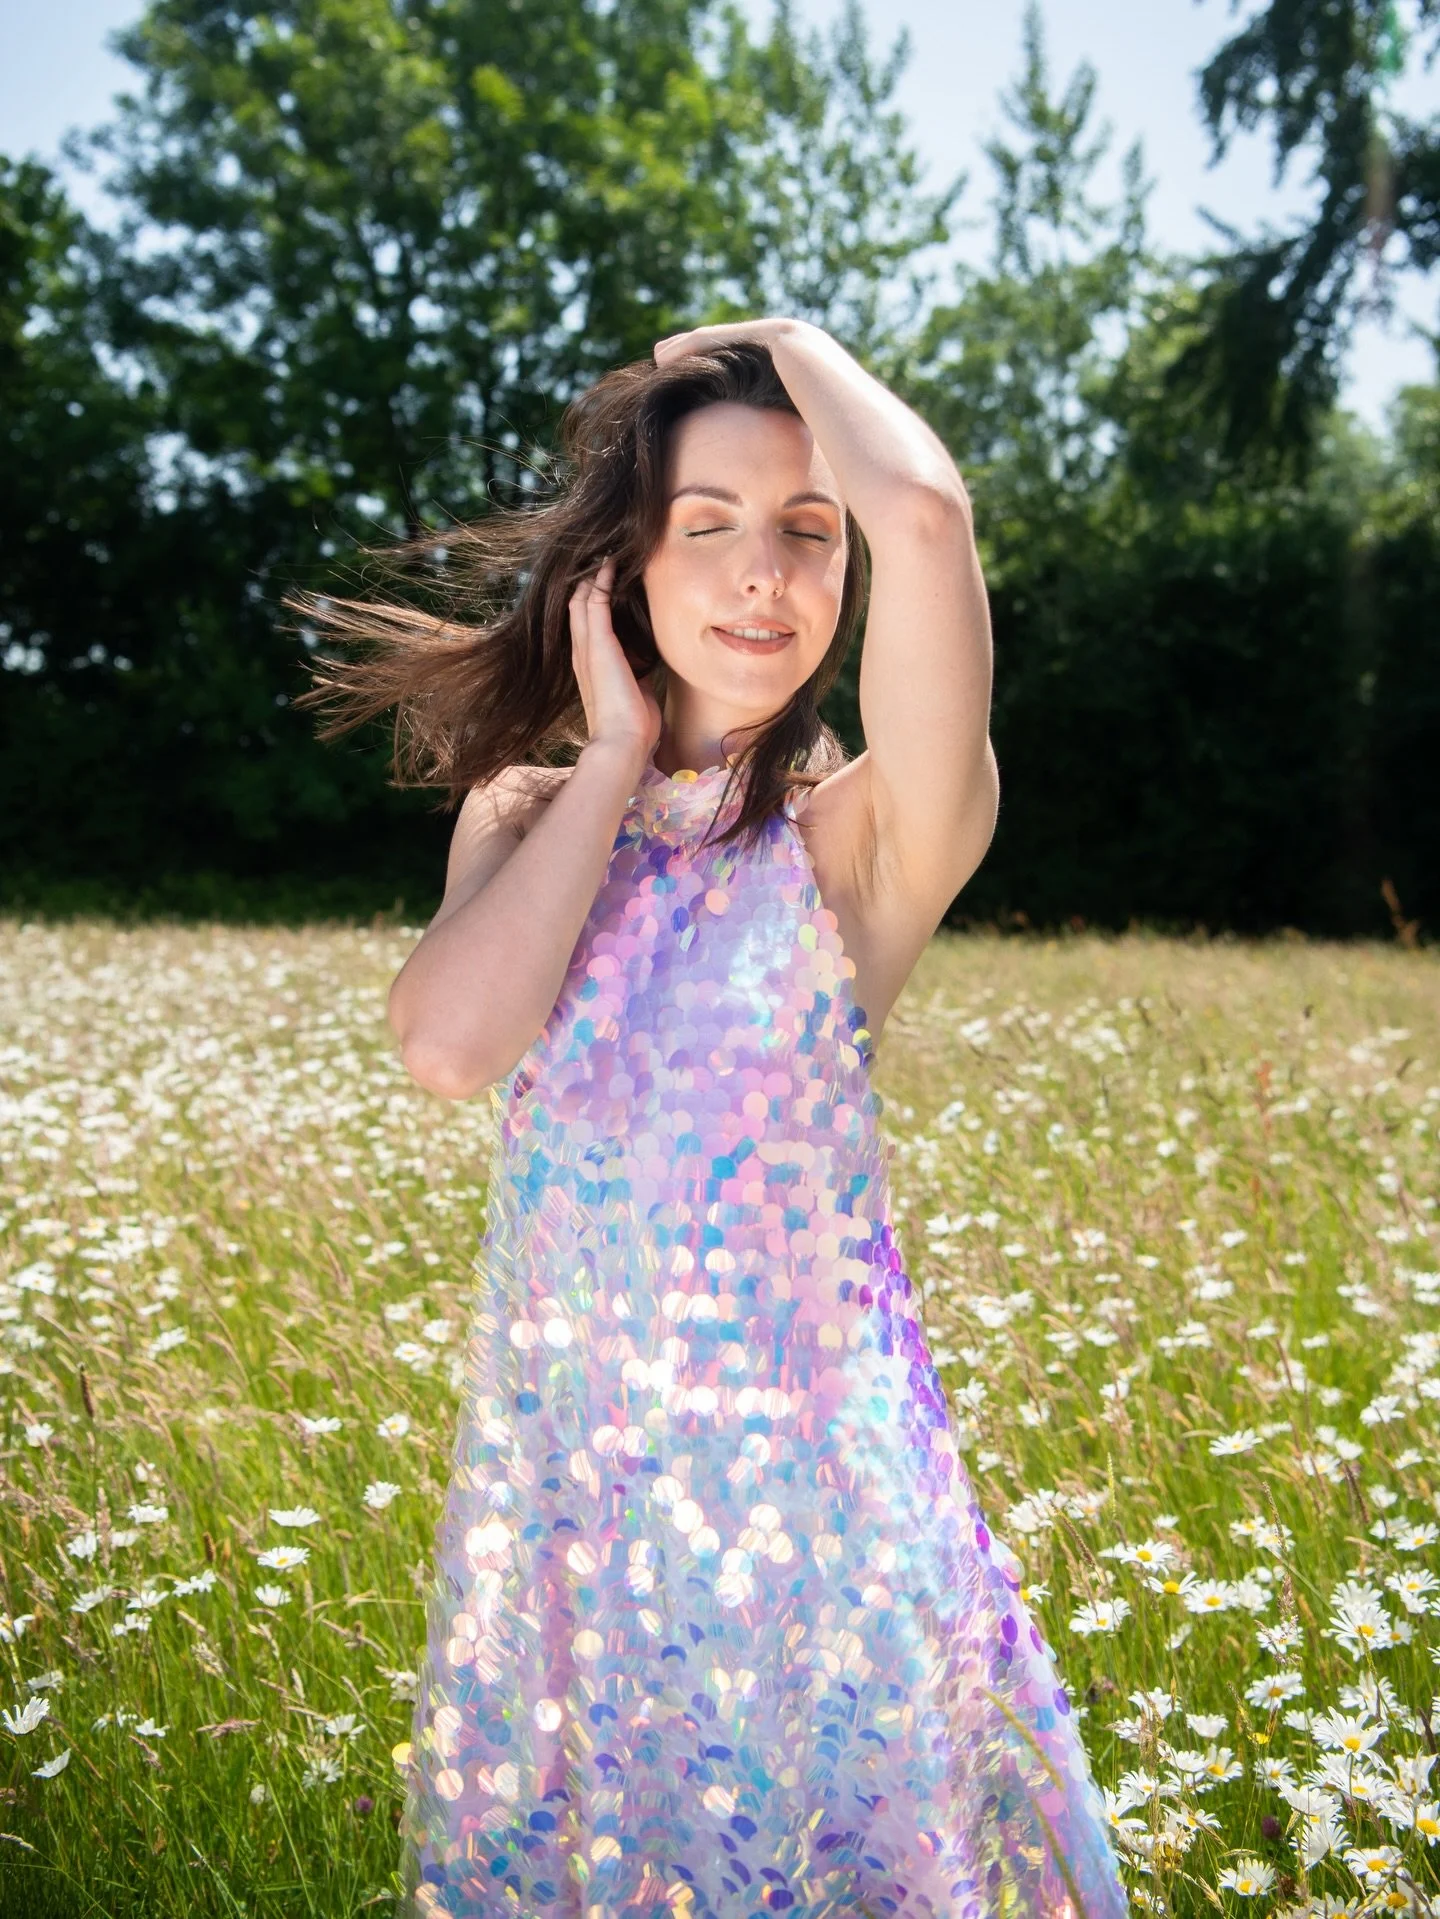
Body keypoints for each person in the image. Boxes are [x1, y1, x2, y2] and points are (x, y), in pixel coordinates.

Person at [292, 319, 1129, 1918]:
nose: (764, 574)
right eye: (711, 525)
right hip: (578, 1548)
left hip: (814, 1545)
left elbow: (933, 519)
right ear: (628, 568)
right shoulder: (531, 815)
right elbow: (452, 1047)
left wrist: (789, 343)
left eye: (808, 533)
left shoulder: (862, 840)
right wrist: (608, 748)